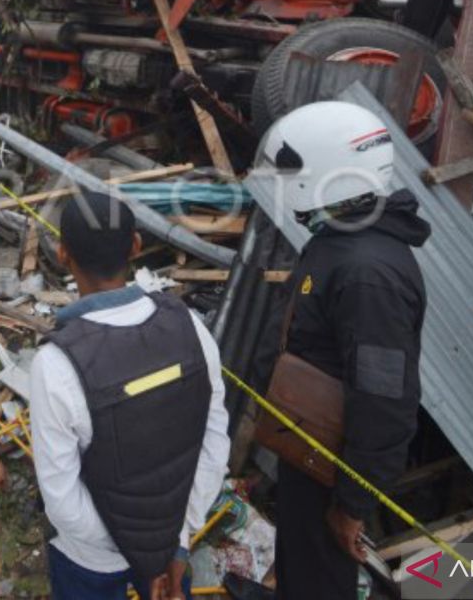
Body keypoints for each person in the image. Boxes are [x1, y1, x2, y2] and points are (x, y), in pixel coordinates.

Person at [254, 101, 430, 600]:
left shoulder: (366, 274)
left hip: (333, 470)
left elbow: (383, 400)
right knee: (302, 571)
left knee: (319, 583)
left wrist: (352, 503)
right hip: (311, 452)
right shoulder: (341, 240)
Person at [30, 191, 231, 600]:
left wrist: (140, 553)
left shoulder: (55, 365)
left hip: (91, 561)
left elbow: (62, 500)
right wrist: (172, 543)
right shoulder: (189, 326)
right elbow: (214, 444)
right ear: (136, 246)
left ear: (62, 253)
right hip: (171, 545)